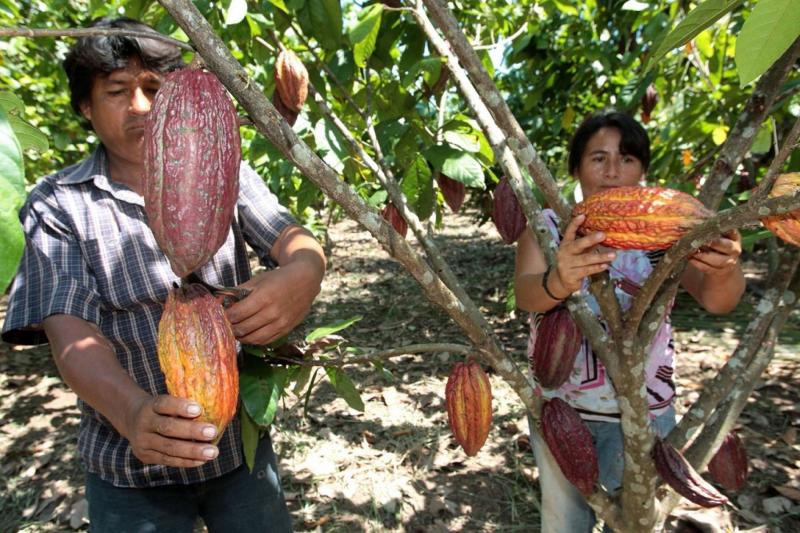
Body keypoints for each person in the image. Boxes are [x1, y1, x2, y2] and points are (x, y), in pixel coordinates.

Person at [1, 17, 326, 533]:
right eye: (116, 91)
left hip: (236, 454)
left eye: (154, 88)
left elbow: (290, 236)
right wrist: (131, 412)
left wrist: (307, 270)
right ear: (85, 106)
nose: (140, 107)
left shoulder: (222, 165)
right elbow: (70, 333)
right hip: (127, 464)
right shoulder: (58, 202)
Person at [514, 111, 745, 532]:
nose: (613, 172)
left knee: (638, 521)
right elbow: (526, 294)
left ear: (643, 170)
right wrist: (559, 279)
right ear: (576, 168)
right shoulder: (547, 229)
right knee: (565, 521)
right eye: (597, 158)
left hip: (643, 413)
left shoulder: (667, 236)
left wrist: (725, 267)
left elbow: (718, 300)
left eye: (627, 159)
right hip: (563, 409)